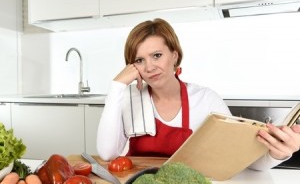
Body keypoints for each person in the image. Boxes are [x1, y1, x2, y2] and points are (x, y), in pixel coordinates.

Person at [97, 18, 300, 170]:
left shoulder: (206, 100)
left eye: (157, 55)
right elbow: (107, 153)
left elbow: (240, 160)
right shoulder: (128, 100)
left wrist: (277, 155)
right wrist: (116, 87)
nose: (149, 67)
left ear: (174, 56)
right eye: (139, 60)